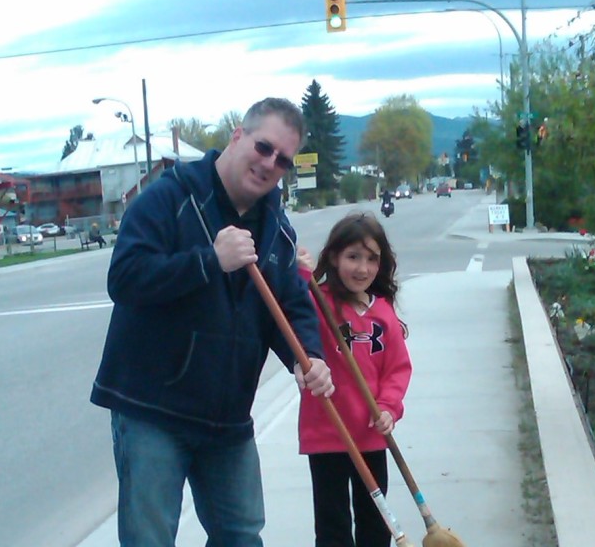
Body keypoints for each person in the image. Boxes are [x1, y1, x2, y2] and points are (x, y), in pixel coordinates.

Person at [91, 97, 334, 547]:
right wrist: (210, 261)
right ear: (238, 136)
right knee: (150, 539)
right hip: (152, 411)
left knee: (241, 535)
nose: (269, 164)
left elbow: (290, 303)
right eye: (264, 147)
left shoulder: (276, 229)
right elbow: (124, 279)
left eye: (282, 160)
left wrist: (307, 356)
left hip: (226, 417)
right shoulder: (168, 199)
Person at [296, 212, 412, 547]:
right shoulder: (318, 301)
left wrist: (389, 408)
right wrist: (301, 272)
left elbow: (397, 368)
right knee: (333, 527)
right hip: (327, 431)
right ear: (333, 257)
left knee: (375, 524)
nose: (362, 268)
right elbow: (292, 304)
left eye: (371, 259)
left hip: (371, 434)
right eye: (352, 257)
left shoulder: (383, 312)